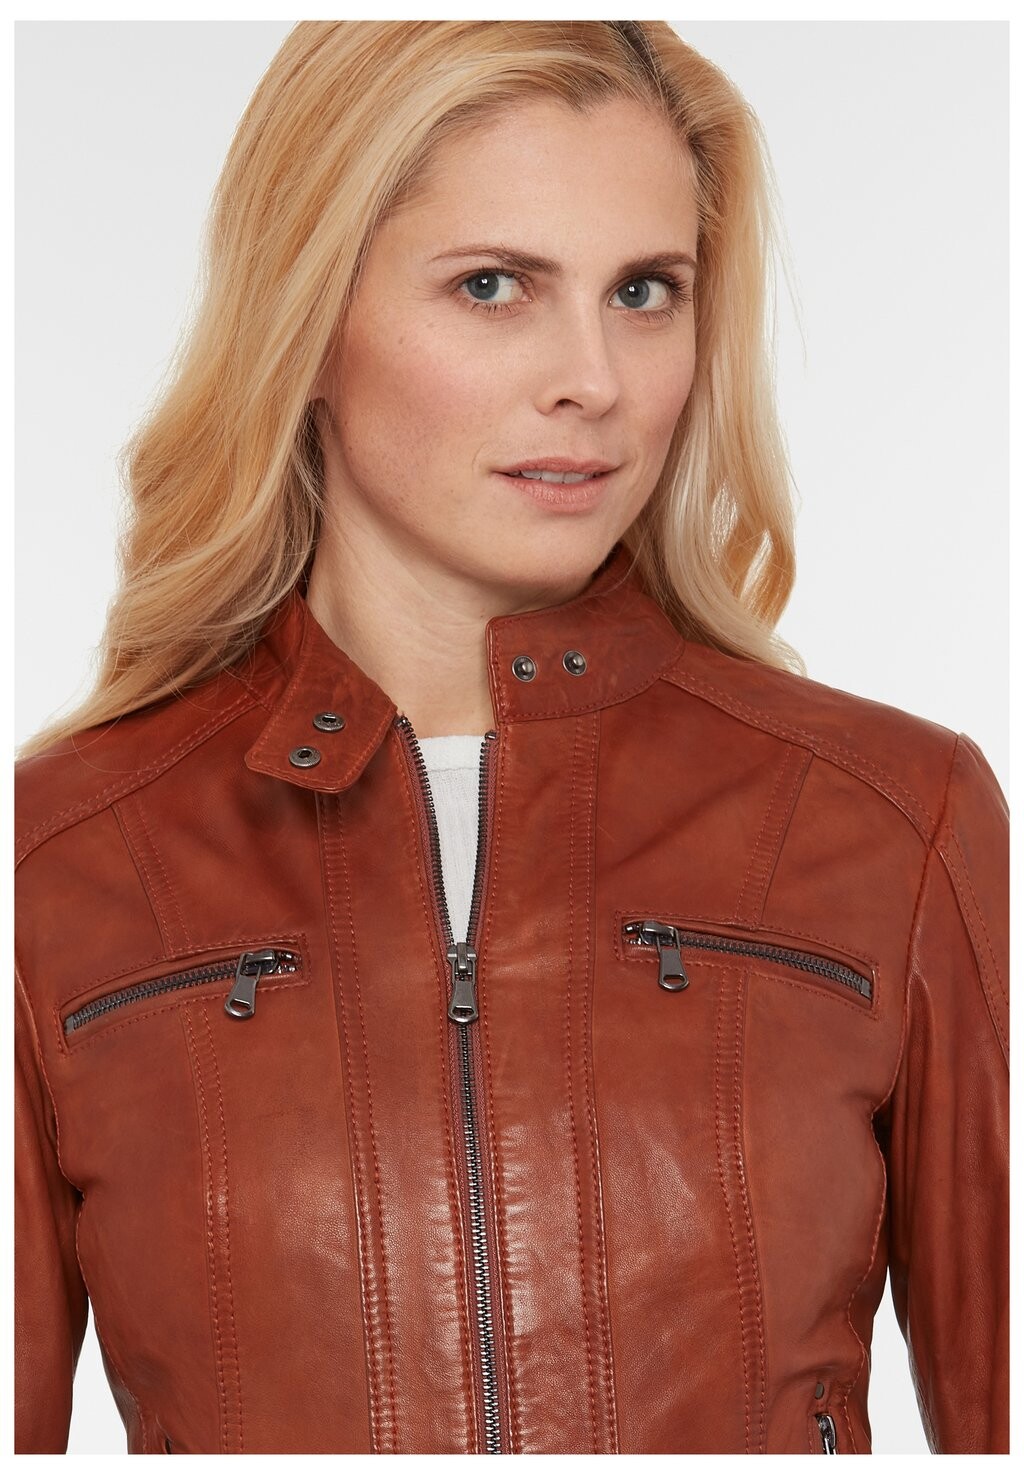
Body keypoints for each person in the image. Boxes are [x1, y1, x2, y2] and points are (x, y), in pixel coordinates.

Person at [14, 20, 1008, 1456]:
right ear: (307, 324)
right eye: (493, 286)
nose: (594, 378)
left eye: (646, 292)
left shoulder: (899, 821)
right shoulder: (54, 868)